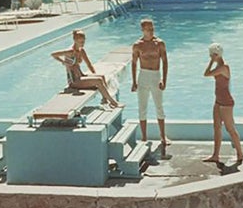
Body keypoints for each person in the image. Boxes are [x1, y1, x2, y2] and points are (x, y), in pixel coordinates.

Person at [51, 30, 123, 108]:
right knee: (98, 81)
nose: (83, 44)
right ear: (75, 40)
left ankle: (104, 100)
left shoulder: (81, 50)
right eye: (81, 42)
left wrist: (94, 74)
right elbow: (53, 54)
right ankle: (113, 102)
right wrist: (63, 62)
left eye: (84, 41)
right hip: (74, 81)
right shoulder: (70, 51)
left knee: (101, 77)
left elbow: (89, 64)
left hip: (81, 76)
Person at [202, 43, 243, 166]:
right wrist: (213, 61)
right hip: (218, 101)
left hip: (226, 102)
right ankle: (215, 155)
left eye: (211, 55)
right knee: (216, 128)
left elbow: (206, 74)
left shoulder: (224, 67)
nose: (210, 57)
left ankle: (240, 153)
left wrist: (211, 62)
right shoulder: (219, 67)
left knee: (230, 128)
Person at [131, 17, 169, 147]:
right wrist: (134, 81)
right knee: (142, 107)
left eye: (152, 28)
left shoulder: (159, 43)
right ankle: (144, 137)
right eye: (148, 29)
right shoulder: (137, 45)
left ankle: (163, 136)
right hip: (143, 76)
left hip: (155, 75)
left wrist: (164, 79)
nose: (151, 31)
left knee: (159, 107)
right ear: (142, 30)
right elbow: (134, 63)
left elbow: (165, 62)